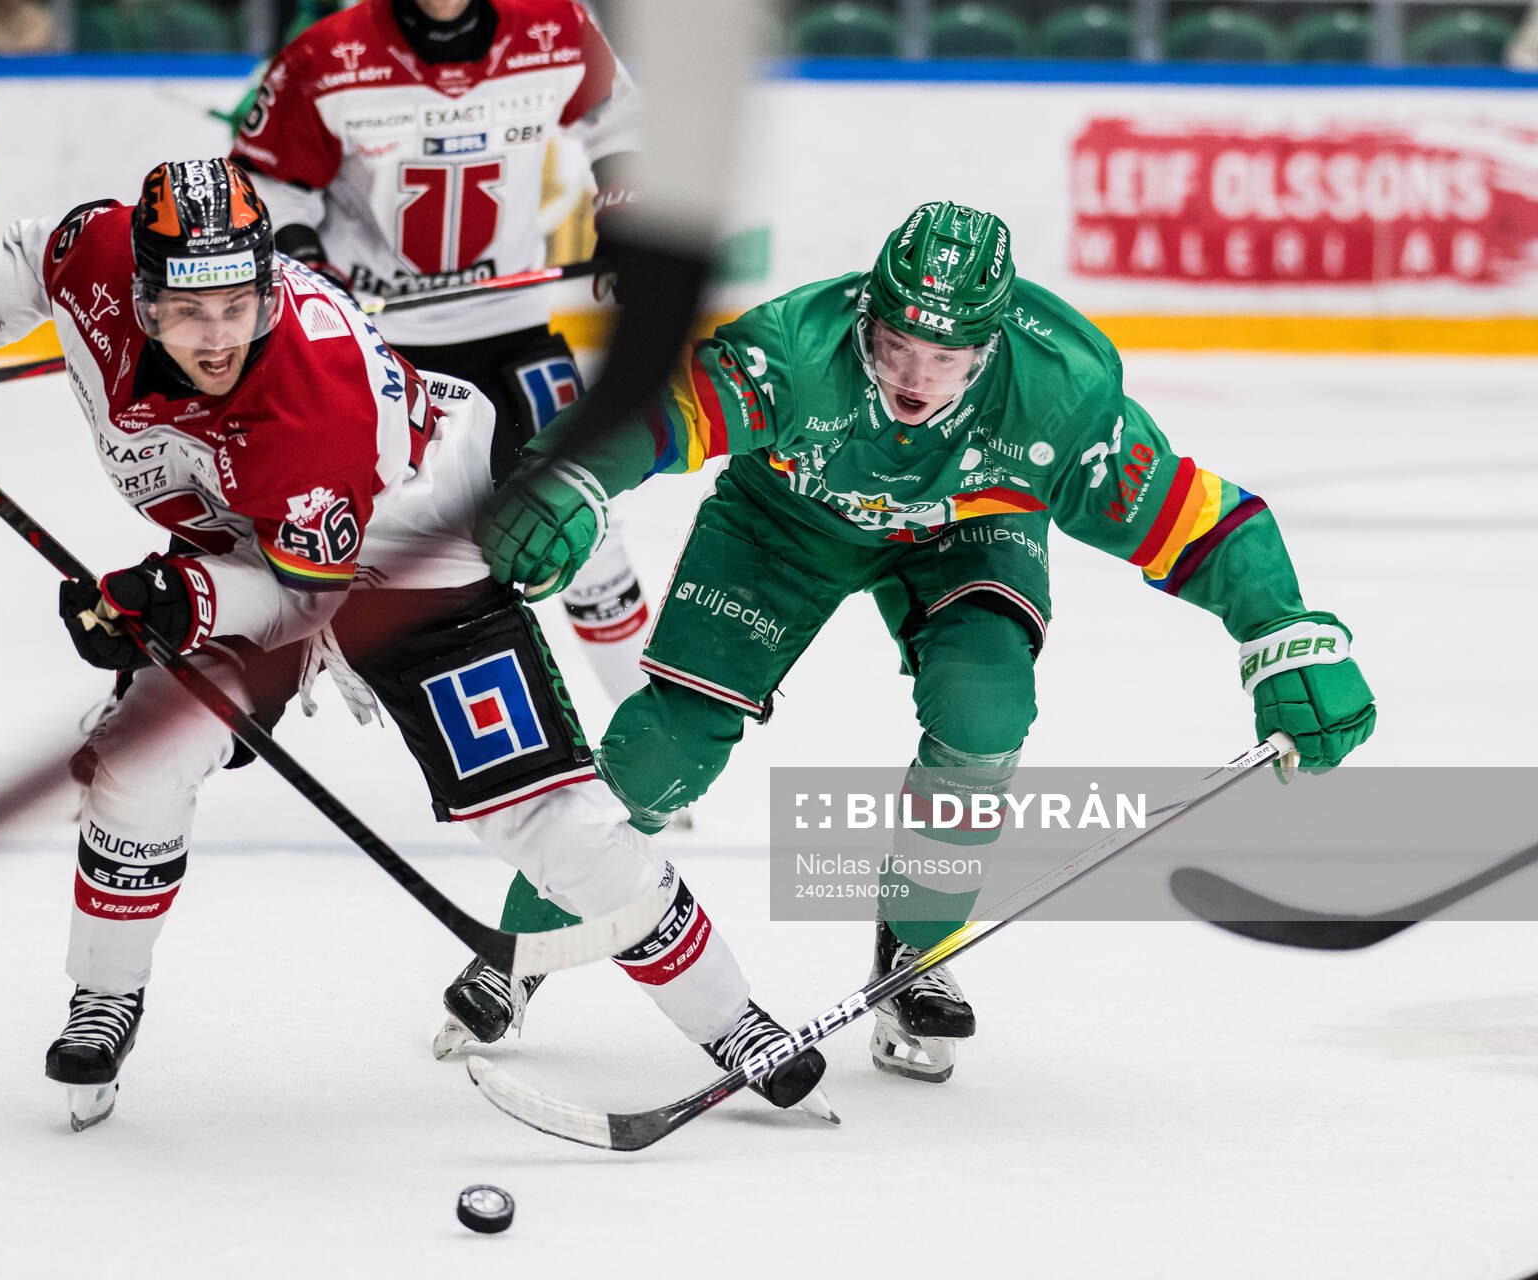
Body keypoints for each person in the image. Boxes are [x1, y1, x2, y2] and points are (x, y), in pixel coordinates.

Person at [0, 158, 829, 1129]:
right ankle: (104, 996)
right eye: (188, 312)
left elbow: (305, 600)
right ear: (139, 296)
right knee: (139, 763)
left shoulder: (315, 394)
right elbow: (30, 260)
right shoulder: (95, 253)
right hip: (247, 543)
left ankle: (734, 1019)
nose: (217, 337)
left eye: (238, 306)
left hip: (413, 560)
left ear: (268, 289)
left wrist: (175, 599)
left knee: (558, 828)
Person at [459, 199, 1378, 1082]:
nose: (914, 377)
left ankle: (916, 950)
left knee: (986, 712)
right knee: (668, 747)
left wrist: (1287, 632)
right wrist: (573, 475)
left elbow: (1199, 521)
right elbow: (662, 411)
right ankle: (521, 948)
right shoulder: (795, 349)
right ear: (866, 315)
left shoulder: (1059, 400)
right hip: (786, 523)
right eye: (895, 345)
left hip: (967, 529)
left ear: (992, 344)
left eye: (945, 358)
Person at [226, 0, 674, 1046]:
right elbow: (257, 185)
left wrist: (624, 213)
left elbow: (620, 122)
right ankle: (216, 704)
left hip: (508, 329)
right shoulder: (328, 54)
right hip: (370, 343)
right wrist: (302, 254)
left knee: (585, 523)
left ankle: (644, 740)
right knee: (310, 532)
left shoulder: (555, 25)